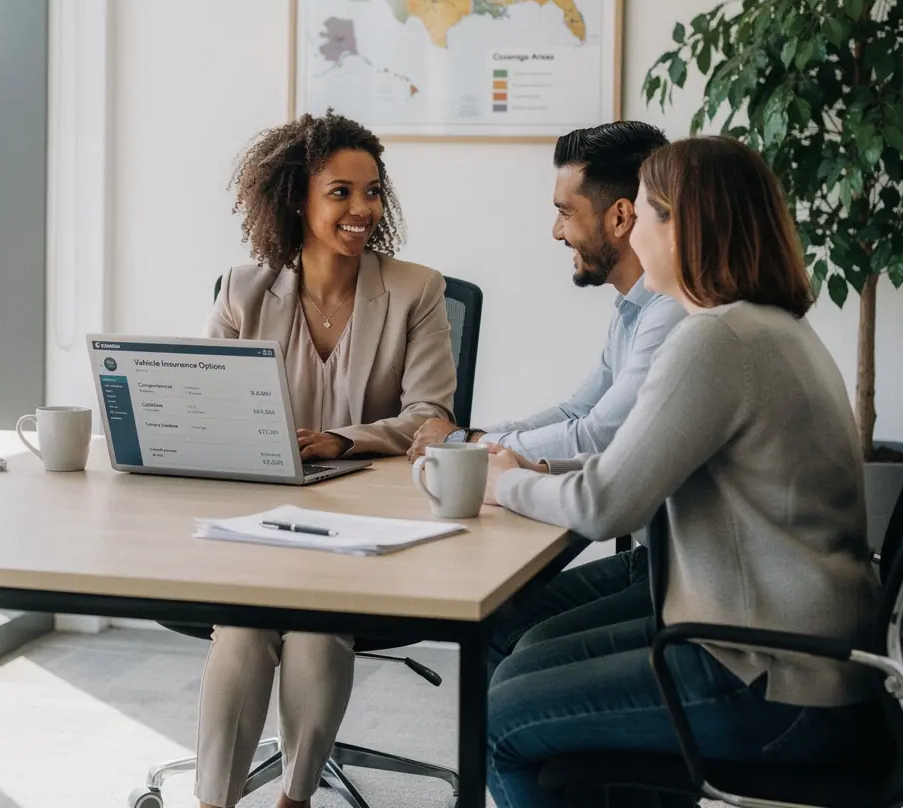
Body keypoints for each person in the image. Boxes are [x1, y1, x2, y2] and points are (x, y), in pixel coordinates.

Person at [483, 136, 884, 808]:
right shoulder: (763, 326)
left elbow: (608, 506)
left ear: (683, 226)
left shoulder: (717, 340)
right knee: (521, 665)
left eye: (640, 215)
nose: (631, 231)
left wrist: (502, 484)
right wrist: (536, 466)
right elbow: (640, 457)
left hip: (769, 679)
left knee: (505, 721)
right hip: (791, 655)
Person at [195, 110, 456, 808]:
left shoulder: (414, 291)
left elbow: (431, 416)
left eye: (372, 192)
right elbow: (200, 402)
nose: (363, 208)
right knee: (246, 629)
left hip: (358, 523)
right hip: (255, 521)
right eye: (341, 191)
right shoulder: (243, 290)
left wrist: (346, 440)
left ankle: (295, 799)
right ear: (297, 200)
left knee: (315, 627)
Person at [409, 120, 685, 670]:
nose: (556, 232)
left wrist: (478, 447)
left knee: (514, 648)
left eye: (565, 211)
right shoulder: (636, 309)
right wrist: (485, 444)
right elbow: (578, 412)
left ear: (622, 217)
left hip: (687, 580)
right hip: (670, 563)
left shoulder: (676, 316)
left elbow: (602, 439)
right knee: (502, 628)